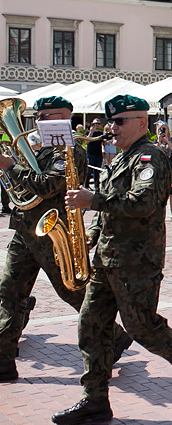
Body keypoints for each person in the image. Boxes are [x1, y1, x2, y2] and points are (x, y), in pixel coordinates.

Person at [54, 94, 172, 425]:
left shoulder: (150, 157)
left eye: (119, 122)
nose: (111, 128)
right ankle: (95, 400)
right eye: (110, 122)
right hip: (107, 258)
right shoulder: (122, 158)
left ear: (141, 122)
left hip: (136, 262)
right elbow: (110, 205)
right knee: (91, 325)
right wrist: (92, 233)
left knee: (144, 329)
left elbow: (142, 202)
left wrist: (94, 201)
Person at [0, 97, 130, 383]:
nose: (38, 122)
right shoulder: (43, 148)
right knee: (9, 292)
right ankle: (3, 360)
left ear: (64, 118)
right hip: (26, 230)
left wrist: (9, 166)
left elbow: (47, 186)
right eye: (38, 117)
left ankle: (114, 335)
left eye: (46, 117)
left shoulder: (70, 152)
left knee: (72, 292)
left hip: (52, 232)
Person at [155, 122, 172, 220]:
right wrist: (159, 141)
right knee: (161, 191)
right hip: (160, 167)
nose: (163, 131)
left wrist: (167, 141)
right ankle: (160, 212)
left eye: (165, 128)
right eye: (161, 129)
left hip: (171, 167)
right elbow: (155, 150)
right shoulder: (155, 141)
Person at [85, 119, 105, 190]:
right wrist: (91, 131)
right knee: (89, 171)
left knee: (97, 171)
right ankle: (86, 185)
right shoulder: (88, 132)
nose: (97, 125)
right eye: (95, 124)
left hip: (98, 154)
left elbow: (103, 143)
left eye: (98, 124)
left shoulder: (100, 133)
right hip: (90, 154)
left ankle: (97, 186)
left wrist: (103, 151)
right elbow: (87, 141)